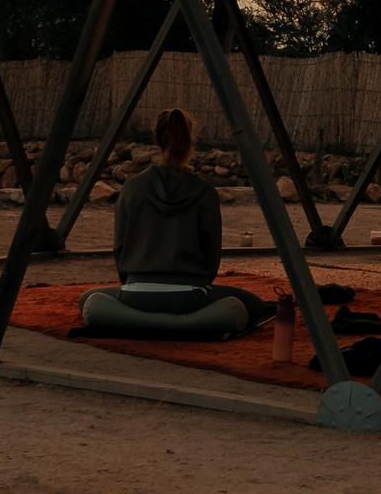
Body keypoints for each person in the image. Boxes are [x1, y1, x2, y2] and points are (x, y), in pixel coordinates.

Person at [94, 109, 271, 332]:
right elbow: (211, 254)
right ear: (190, 141)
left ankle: (140, 321)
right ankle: (184, 324)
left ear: (157, 140)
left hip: (135, 293)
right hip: (189, 296)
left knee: (91, 300)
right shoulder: (204, 192)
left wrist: (132, 281)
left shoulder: (132, 188)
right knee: (253, 305)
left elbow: (119, 246)